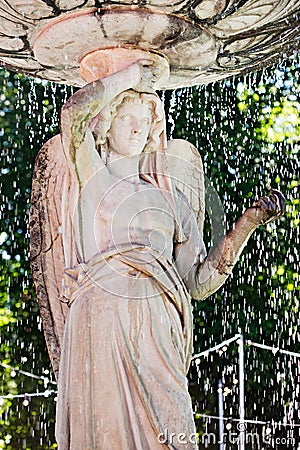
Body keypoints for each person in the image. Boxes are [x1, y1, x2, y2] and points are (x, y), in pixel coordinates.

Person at [31, 60, 284, 449]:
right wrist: (132, 77)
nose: (138, 128)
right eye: (127, 117)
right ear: (107, 125)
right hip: (101, 313)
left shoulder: (172, 201)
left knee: (173, 422)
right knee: (104, 431)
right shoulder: (91, 173)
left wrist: (245, 226)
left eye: (145, 121)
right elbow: (72, 114)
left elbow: (199, 282)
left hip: (156, 315)